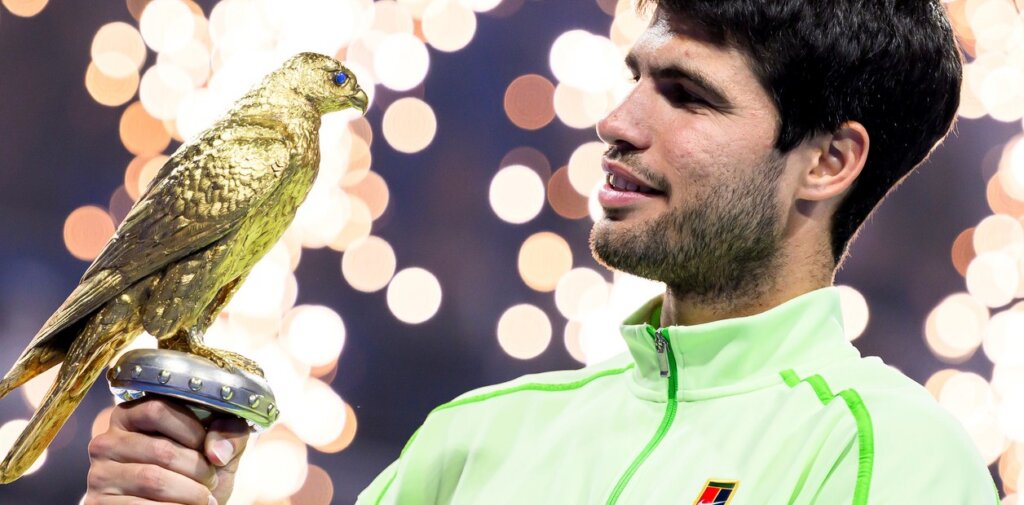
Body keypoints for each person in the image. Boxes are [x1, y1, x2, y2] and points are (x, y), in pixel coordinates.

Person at [84, 0, 999, 504]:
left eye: (686, 95)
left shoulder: (891, 457)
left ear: (829, 160)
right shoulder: (476, 438)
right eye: (635, 76)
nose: (618, 122)